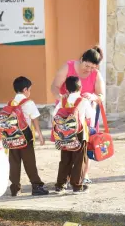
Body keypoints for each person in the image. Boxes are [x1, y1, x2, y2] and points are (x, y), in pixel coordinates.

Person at [51, 46, 105, 184]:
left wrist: (93, 96)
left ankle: (84, 175)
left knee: (85, 147)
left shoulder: (96, 74)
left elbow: (101, 95)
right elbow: (55, 86)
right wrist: (61, 96)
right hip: (68, 114)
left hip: (87, 113)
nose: (89, 70)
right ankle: (67, 177)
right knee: (68, 146)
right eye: (87, 66)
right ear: (81, 60)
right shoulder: (68, 67)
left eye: (93, 67)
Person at [9, 76, 49, 196]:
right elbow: (35, 120)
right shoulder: (28, 102)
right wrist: (40, 136)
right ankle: (36, 186)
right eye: (30, 89)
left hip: (12, 135)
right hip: (25, 136)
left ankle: (15, 188)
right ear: (25, 89)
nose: (30, 92)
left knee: (14, 162)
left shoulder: (11, 102)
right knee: (29, 162)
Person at [54, 76, 95, 194]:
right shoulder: (83, 101)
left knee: (65, 159)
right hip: (79, 134)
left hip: (64, 134)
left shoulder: (62, 101)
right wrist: (93, 106)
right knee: (79, 160)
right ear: (80, 87)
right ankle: (77, 186)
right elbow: (89, 116)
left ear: (66, 89)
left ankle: (60, 185)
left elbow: (55, 115)